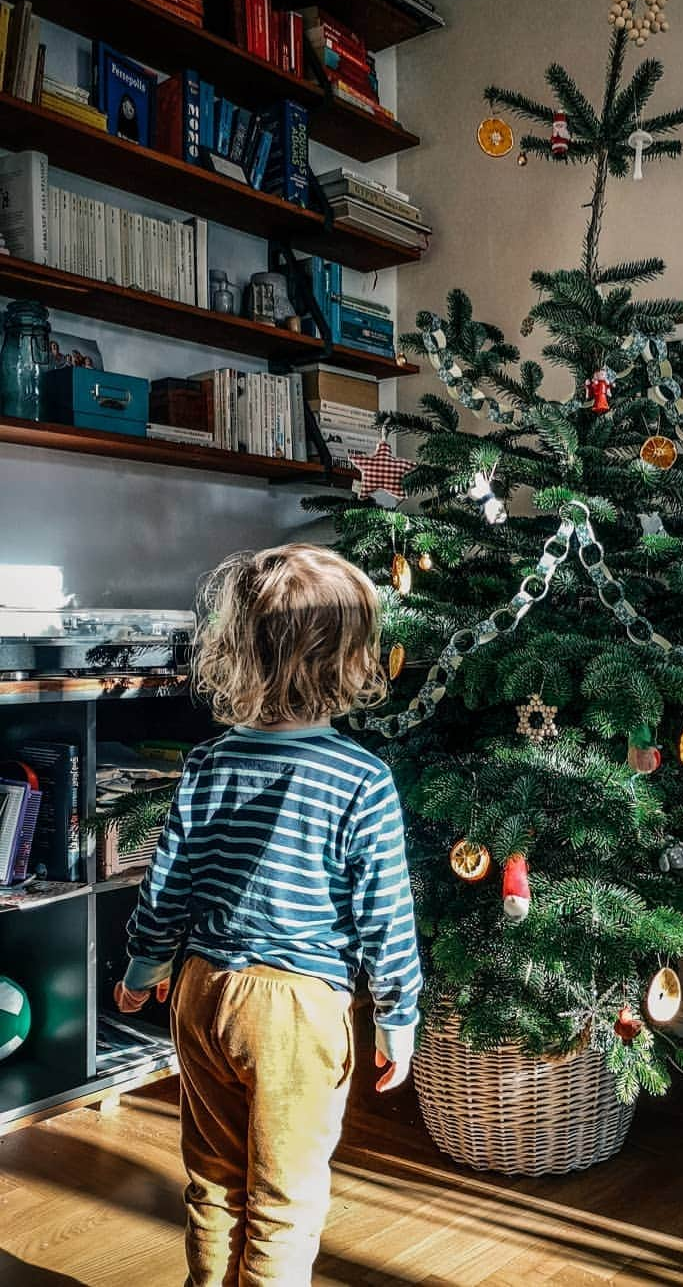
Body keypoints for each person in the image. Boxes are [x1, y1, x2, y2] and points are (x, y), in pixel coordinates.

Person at [113, 543, 422, 1287]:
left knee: (214, 1179)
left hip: (202, 990)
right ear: (351, 661)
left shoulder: (210, 762)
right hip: (296, 1008)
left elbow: (168, 882)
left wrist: (142, 967)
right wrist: (397, 1015)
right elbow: (386, 914)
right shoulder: (361, 780)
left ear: (238, 652)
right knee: (285, 1197)